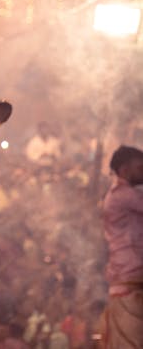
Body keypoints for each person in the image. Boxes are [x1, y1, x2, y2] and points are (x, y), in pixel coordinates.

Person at [100, 145, 143, 348]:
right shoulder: (123, 195)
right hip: (130, 280)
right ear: (125, 170)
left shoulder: (123, 195)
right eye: (140, 167)